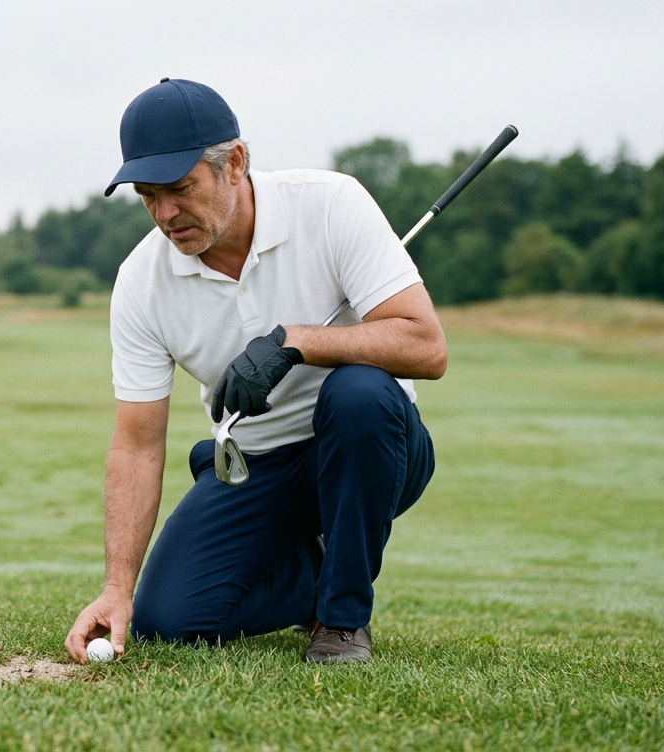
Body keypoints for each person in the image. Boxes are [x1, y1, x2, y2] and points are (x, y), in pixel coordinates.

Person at [64, 78, 445, 665]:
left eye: (181, 188)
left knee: (359, 392)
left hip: (371, 446)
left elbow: (426, 346)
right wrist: (118, 589)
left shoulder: (330, 204)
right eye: (148, 195)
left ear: (235, 163)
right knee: (169, 621)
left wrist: (296, 342)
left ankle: (342, 622)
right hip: (259, 464)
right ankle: (318, 565)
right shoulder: (141, 281)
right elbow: (137, 445)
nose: (165, 214)